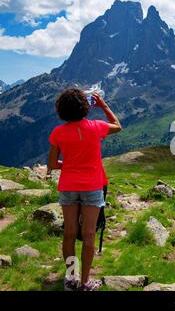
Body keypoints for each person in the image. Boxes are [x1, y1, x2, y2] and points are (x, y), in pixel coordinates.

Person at [48, 88, 122, 291]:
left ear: (61, 110)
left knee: (69, 233)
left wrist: (69, 164)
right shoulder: (96, 127)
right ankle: (86, 282)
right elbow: (118, 126)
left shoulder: (58, 133)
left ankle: (71, 280)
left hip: (69, 186)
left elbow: (53, 164)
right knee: (89, 234)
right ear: (85, 107)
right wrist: (104, 106)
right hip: (92, 186)